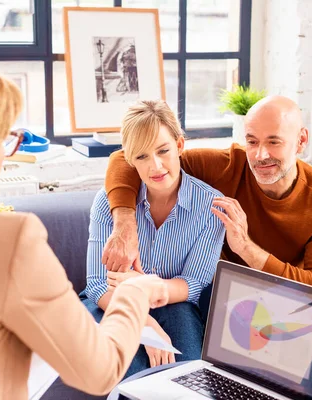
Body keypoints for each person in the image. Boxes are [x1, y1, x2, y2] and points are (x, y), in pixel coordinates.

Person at [0, 44, 169, 400]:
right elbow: (100, 371)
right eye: (2, 136)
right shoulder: (3, 242)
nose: (4, 156)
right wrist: (135, 291)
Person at [102, 95, 312, 399]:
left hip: (293, 299)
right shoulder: (227, 166)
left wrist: (247, 248)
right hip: (227, 298)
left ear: (301, 141)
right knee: (217, 288)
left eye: (274, 142)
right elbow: (125, 159)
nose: (261, 155)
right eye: (252, 141)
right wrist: (125, 225)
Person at [81, 100, 225, 377]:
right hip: (112, 302)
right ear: (129, 158)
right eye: (142, 156)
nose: (156, 166)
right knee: (127, 372)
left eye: (163, 151)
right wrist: (144, 322)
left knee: (188, 374)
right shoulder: (106, 203)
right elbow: (98, 285)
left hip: (176, 304)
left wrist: (148, 287)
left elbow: (195, 284)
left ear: (180, 145)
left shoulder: (210, 206)